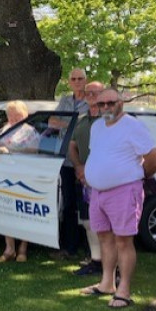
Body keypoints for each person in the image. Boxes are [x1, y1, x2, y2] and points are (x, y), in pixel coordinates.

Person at [81, 89, 156, 308]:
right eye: (101, 104)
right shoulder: (97, 127)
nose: (105, 107)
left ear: (121, 103)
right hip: (98, 193)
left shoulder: (132, 126)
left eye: (110, 103)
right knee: (105, 239)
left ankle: (124, 290)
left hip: (124, 191)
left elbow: (153, 160)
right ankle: (107, 283)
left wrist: (135, 177)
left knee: (123, 241)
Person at [50, 68, 89, 260]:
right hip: (66, 160)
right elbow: (51, 121)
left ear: (85, 80)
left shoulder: (92, 101)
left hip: (86, 160)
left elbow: (93, 124)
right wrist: (72, 124)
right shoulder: (65, 100)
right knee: (68, 205)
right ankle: (69, 248)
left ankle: (92, 251)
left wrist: (65, 123)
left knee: (89, 205)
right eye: (73, 79)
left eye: (80, 78)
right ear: (69, 82)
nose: (77, 82)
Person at [0, 101, 40, 263]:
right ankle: (9, 249)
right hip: (6, 177)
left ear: (25, 115)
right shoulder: (5, 129)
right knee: (7, 212)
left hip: (25, 176)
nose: (14, 118)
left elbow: (34, 150)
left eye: (18, 115)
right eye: (11, 115)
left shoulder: (30, 131)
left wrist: (11, 150)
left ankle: (23, 249)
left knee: (24, 213)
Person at [68, 81, 105, 276]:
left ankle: (112, 266)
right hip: (83, 179)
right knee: (88, 222)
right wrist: (78, 167)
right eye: (88, 92)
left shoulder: (108, 119)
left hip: (102, 181)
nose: (90, 94)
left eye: (95, 92)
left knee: (105, 225)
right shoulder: (82, 119)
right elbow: (72, 145)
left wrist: (91, 170)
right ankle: (96, 262)